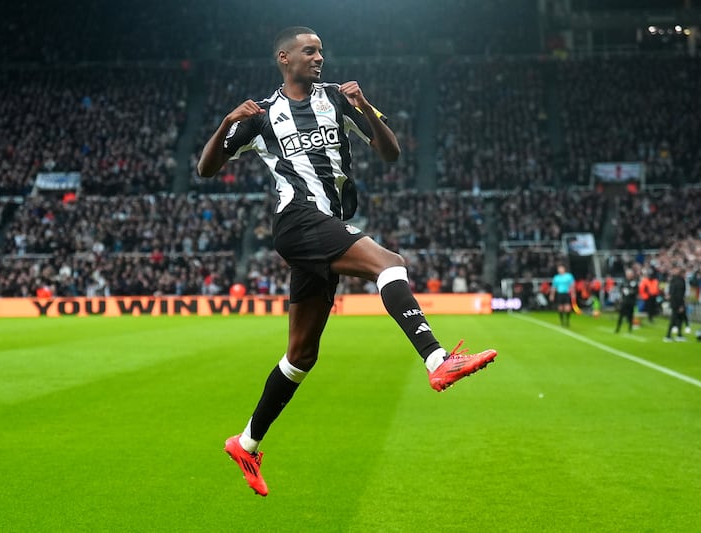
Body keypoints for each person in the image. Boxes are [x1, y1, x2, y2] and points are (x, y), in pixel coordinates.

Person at [197, 26, 498, 497]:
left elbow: (391, 152)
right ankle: (438, 359)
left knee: (301, 355)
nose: (319, 57)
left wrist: (368, 109)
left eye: (321, 51)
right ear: (284, 58)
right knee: (388, 261)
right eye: (309, 51)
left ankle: (247, 442)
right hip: (297, 220)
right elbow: (206, 168)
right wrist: (224, 123)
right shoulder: (259, 117)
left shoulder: (337, 99)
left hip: (321, 228)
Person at [664, 265, 687, 342]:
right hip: (677, 302)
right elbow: (679, 294)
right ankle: (668, 336)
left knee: (678, 319)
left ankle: (678, 334)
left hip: (674, 302)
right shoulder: (679, 281)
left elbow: (672, 292)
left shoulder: (674, 280)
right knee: (674, 319)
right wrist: (681, 305)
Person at [614, 268, 638, 333]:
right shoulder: (624, 281)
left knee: (630, 315)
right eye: (628, 274)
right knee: (621, 315)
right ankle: (617, 328)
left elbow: (635, 291)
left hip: (631, 301)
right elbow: (621, 289)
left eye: (630, 274)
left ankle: (630, 329)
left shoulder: (634, 282)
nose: (629, 275)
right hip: (624, 301)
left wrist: (629, 292)